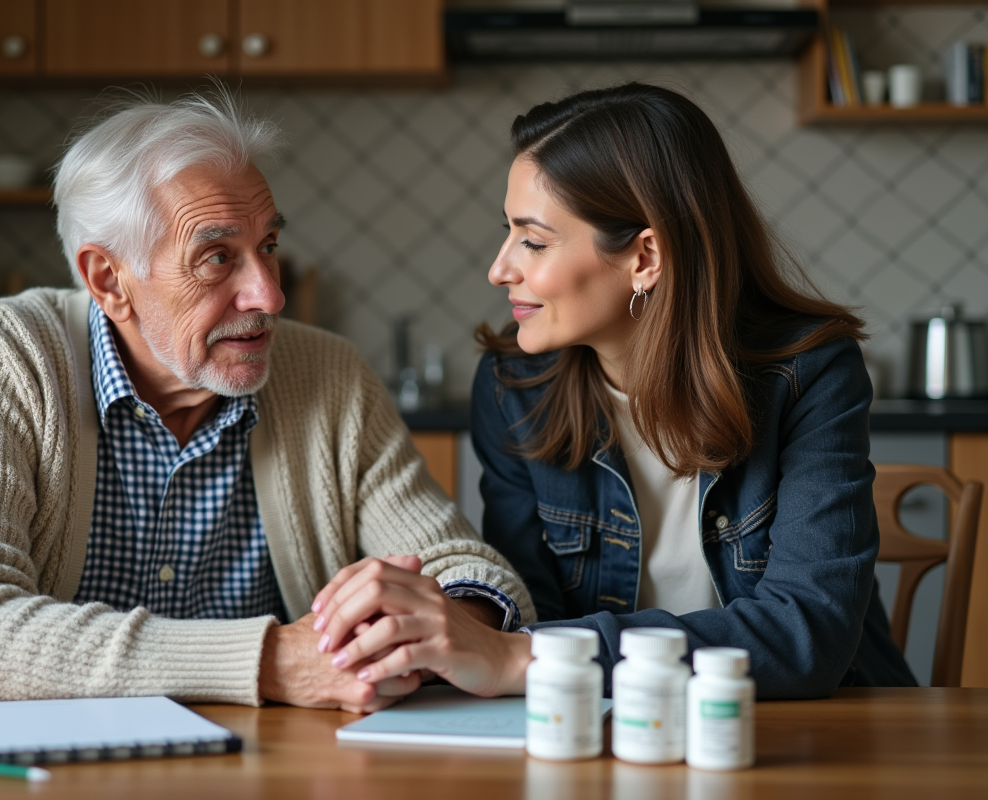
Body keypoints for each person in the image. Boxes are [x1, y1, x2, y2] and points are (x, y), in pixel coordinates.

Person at [0, 88, 534, 712]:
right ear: (108, 279)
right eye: (218, 257)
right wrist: (272, 661)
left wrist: (450, 625)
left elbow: (466, 568)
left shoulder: (329, 374)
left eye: (269, 248)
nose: (269, 296)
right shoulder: (11, 354)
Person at [311, 83, 916, 699]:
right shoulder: (513, 387)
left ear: (646, 257)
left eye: (534, 241)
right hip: (603, 729)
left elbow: (807, 633)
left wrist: (523, 658)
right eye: (508, 232)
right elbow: (530, 607)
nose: (500, 269)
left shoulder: (811, 371)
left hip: (819, 731)